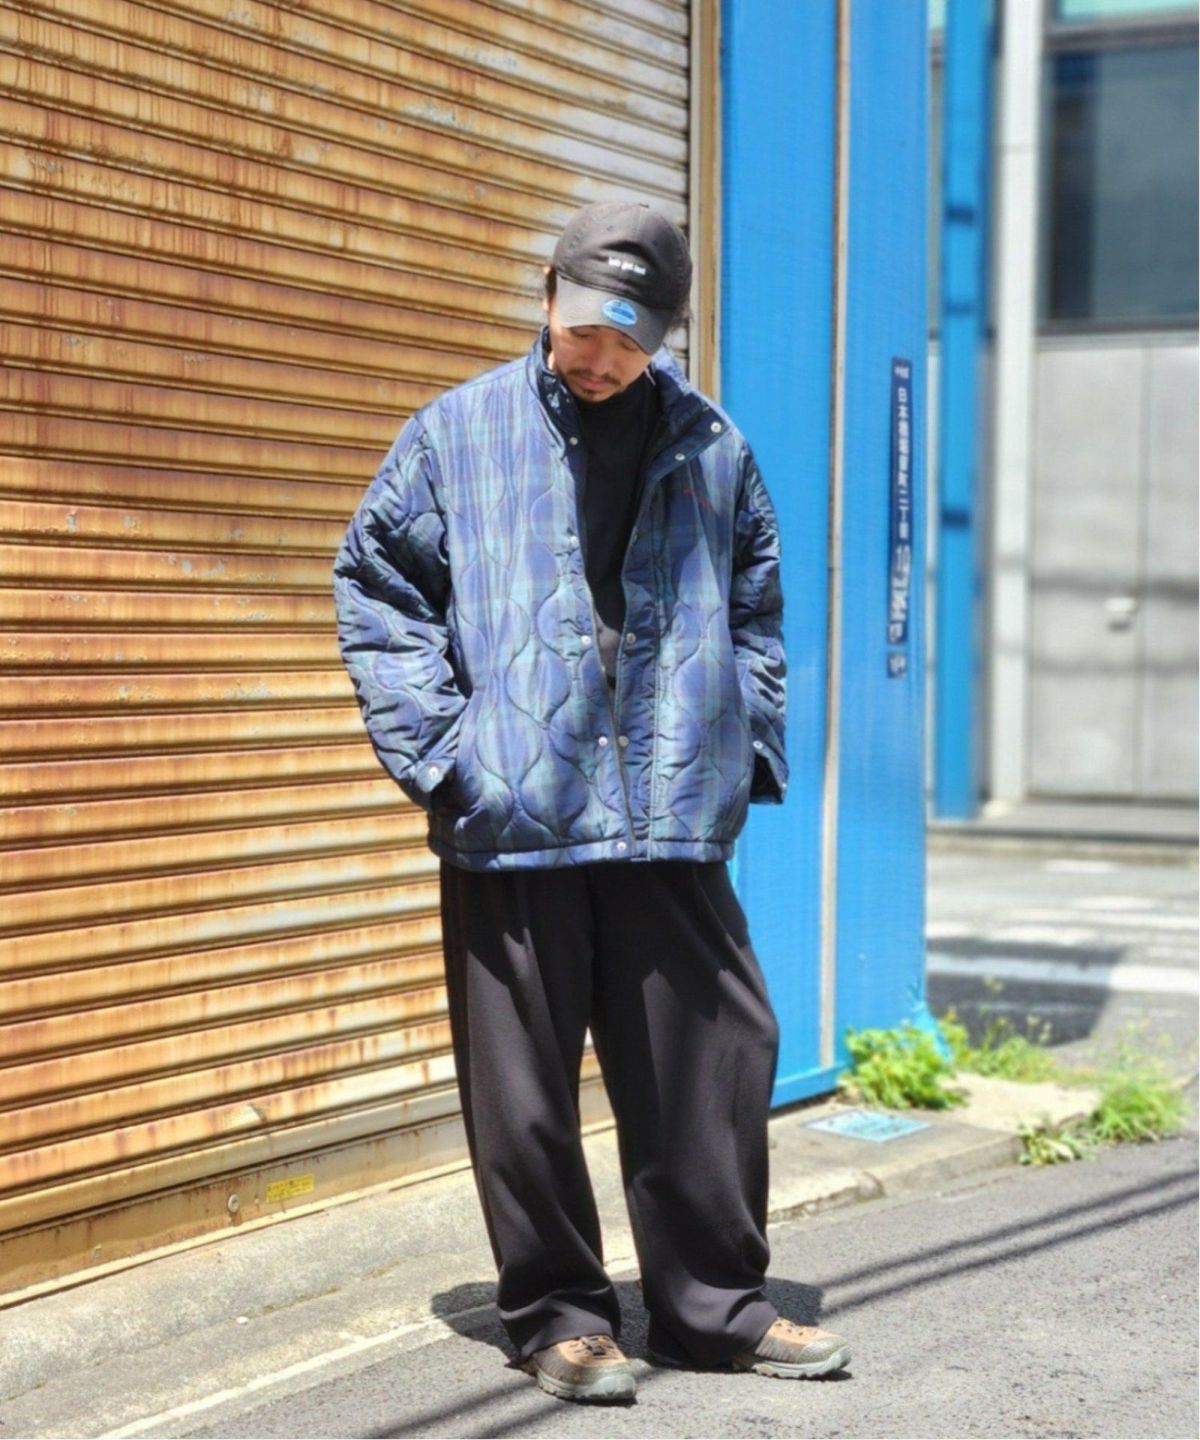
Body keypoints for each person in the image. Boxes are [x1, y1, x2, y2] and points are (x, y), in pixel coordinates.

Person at [333, 201, 850, 1404]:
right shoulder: (456, 434)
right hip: (515, 812)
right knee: (522, 1093)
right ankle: (559, 1316)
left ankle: (714, 1310)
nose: (601, 358)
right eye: (583, 330)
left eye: (629, 339)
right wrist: (445, 755)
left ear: (666, 334)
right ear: (547, 300)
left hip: (669, 808)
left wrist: (743, 740)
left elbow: (756, 608)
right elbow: (377, 588)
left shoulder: (712, 445)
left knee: (716, 1059)